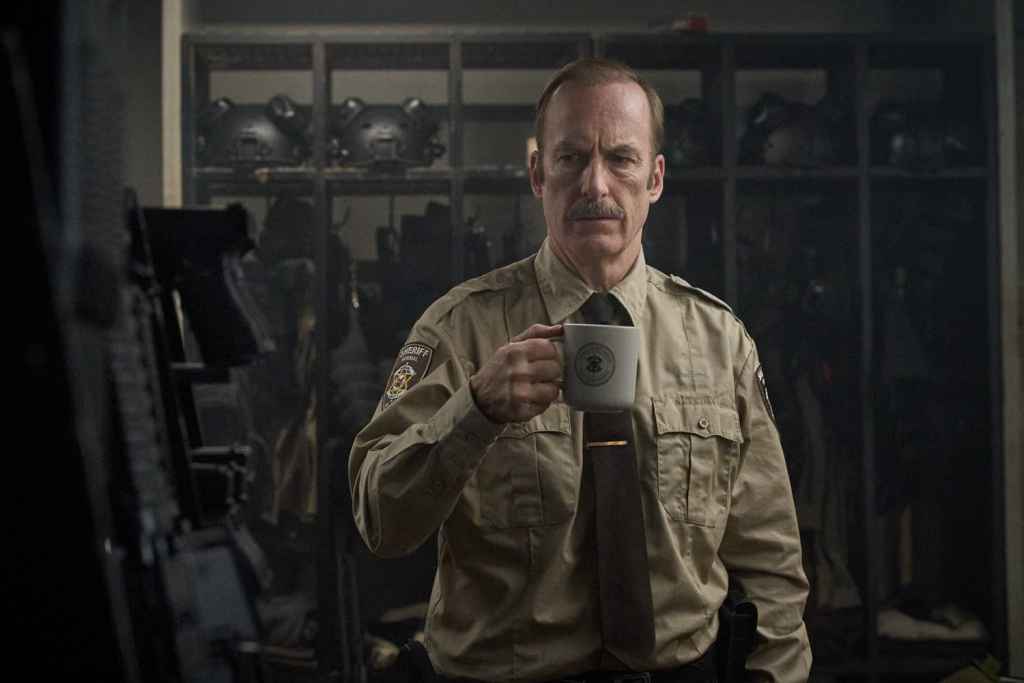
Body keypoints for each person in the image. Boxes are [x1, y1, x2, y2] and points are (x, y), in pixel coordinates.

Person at [349, 57, 811, 683]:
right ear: (538, 174)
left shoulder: (718, 340)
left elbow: (770, 559)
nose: (596, 184)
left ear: (655, 178)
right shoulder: (457, 330)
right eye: (571, 158)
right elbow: (381, 523)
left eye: (621, 159)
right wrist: (475, 410)